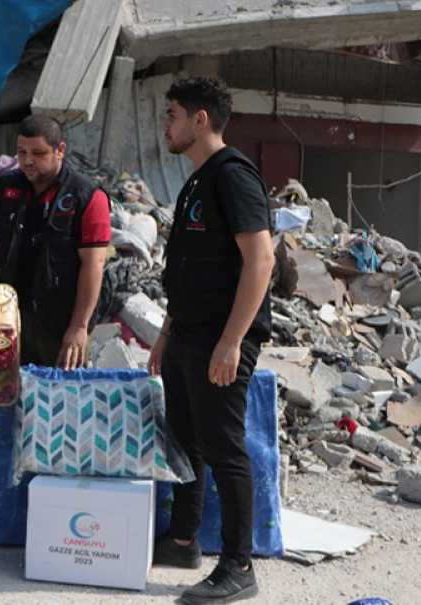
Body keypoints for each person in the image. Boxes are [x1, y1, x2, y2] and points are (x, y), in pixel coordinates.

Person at [148, 77, 274, 604]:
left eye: (173, 114)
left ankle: (238, 566)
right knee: (186, 441)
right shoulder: (197, 181)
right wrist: (166, 334)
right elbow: (189, 268)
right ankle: (183, 541)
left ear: (200, 120)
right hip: (188, 334)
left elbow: (260, 260)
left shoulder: (233, 176)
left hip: (221, 339)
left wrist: (232, 341)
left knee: (223, 448)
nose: (166, 124)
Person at [0, 115, 111, 369]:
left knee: (59, 388)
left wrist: (79, 327)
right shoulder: (6, 185)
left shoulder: (87, 196)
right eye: (21, 152)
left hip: (61, 323)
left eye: (38, 153)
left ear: (60, 150)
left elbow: (93, 265)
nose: (27, 160)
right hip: (11, 315)